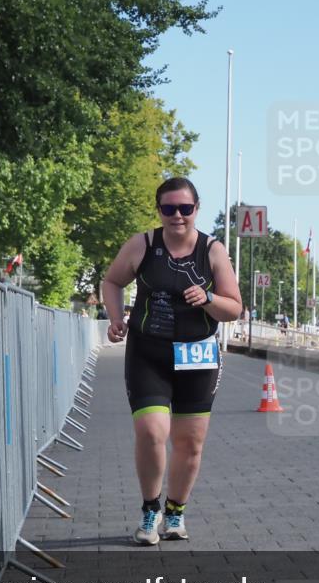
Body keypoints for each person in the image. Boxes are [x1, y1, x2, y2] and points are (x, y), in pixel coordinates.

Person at [101, 177, 242, 545]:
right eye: (168, 208)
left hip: (196, 353)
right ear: (159, 210)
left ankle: (176, 512)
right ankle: (151, 511)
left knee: (189, 442)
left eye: (185, 208)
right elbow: (112, 281)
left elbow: (234, 309)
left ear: (197, 209)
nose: (177, 216)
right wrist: (116, 319)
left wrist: (208, 297)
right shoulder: (142, 245)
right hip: (149, 353)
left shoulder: (212, 250)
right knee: (151, 432)